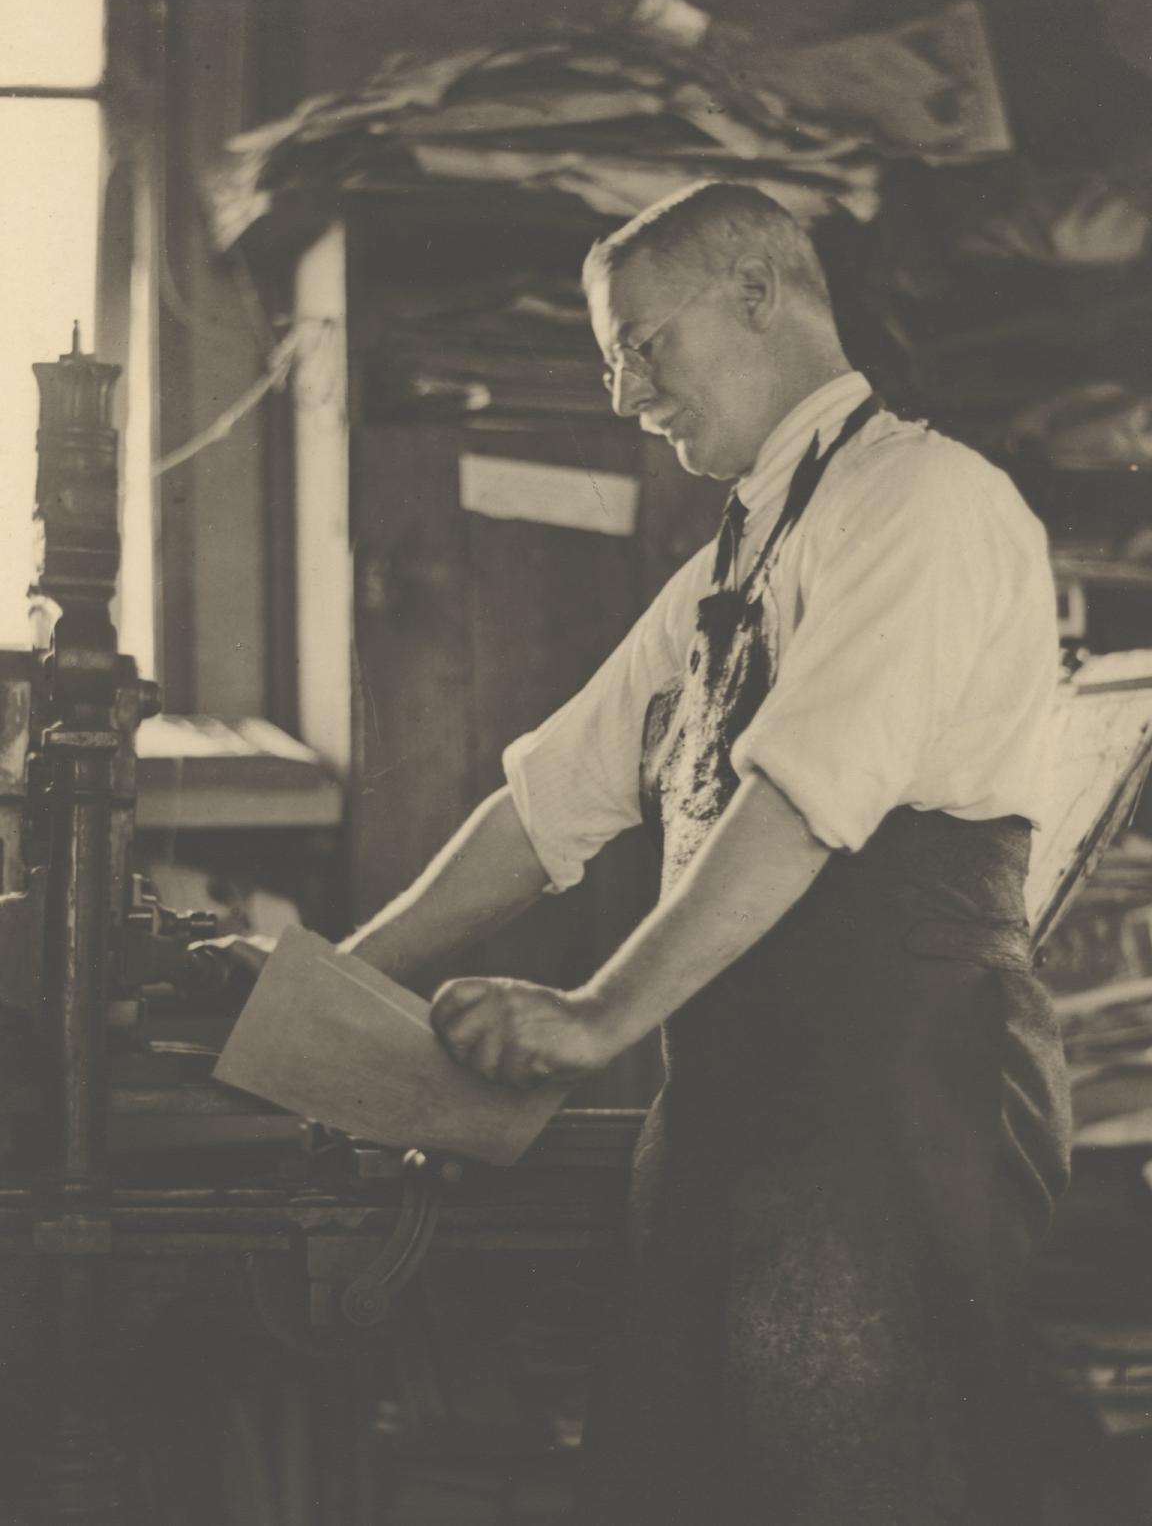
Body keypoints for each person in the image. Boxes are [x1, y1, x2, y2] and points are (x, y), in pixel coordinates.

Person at [218, 181, 1072, 1524]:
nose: (624, 396)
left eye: (641, 347)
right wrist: (321, 992)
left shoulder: (925, 503)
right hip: (735, 1112)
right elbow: (549, 800)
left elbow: (800, 800)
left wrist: (594, 1013)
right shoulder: (738, 553)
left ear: (756, 296)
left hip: (901, 1112)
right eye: (608, 361)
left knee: (865, 1479)